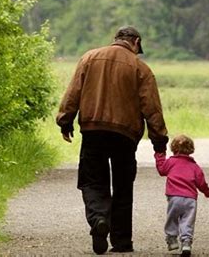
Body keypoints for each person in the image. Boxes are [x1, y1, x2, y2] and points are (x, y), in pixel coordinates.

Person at [56, 26, 168, 255]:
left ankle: (98, 218)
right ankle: (122, 242)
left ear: (115, 39)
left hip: (93, 130)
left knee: (92, 180)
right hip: (125, 136)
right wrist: (159, 140)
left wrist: (65, 121)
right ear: (135, 42)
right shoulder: (141, 68)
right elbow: (152, 108)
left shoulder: (89, 57)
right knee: (123, 187)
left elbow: (73, 93)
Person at [154, 134, 209, 256]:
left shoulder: (170, 162)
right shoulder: (195, 167)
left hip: (174, 198)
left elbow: (161, 170)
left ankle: (172, 239)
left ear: (173, 148)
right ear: (191, 149)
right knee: (187, 221)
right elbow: (201, 183)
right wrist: (207, 192)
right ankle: (186, 243)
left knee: (172, 218)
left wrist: (160, 156)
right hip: (191, 200)